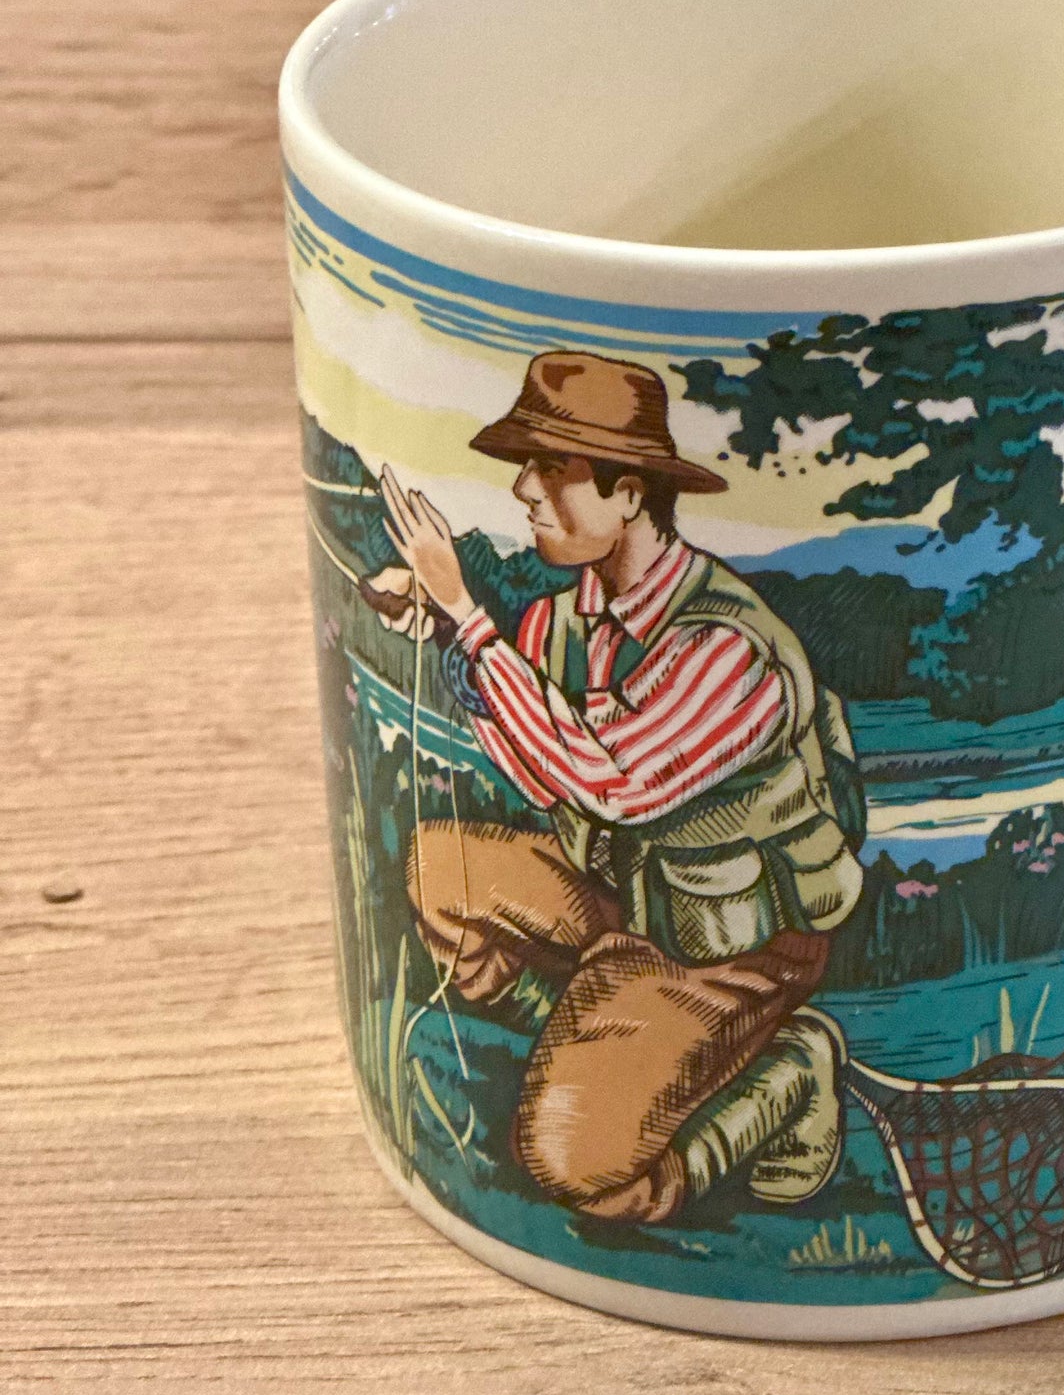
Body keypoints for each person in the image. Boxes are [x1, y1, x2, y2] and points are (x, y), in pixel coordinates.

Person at [368, 349, 864, 1232]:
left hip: (727, 949)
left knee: (572, 1163)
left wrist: (471, 621)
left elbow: (617, 783)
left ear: (630, 493)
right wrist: (448, 633)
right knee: (440, 869)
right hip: (622, 902)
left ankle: (787, 1070)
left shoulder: (728, 650)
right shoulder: (561, 620)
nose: (524, 489)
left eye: (551, 467)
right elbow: (546, 774)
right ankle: (578, 1035)